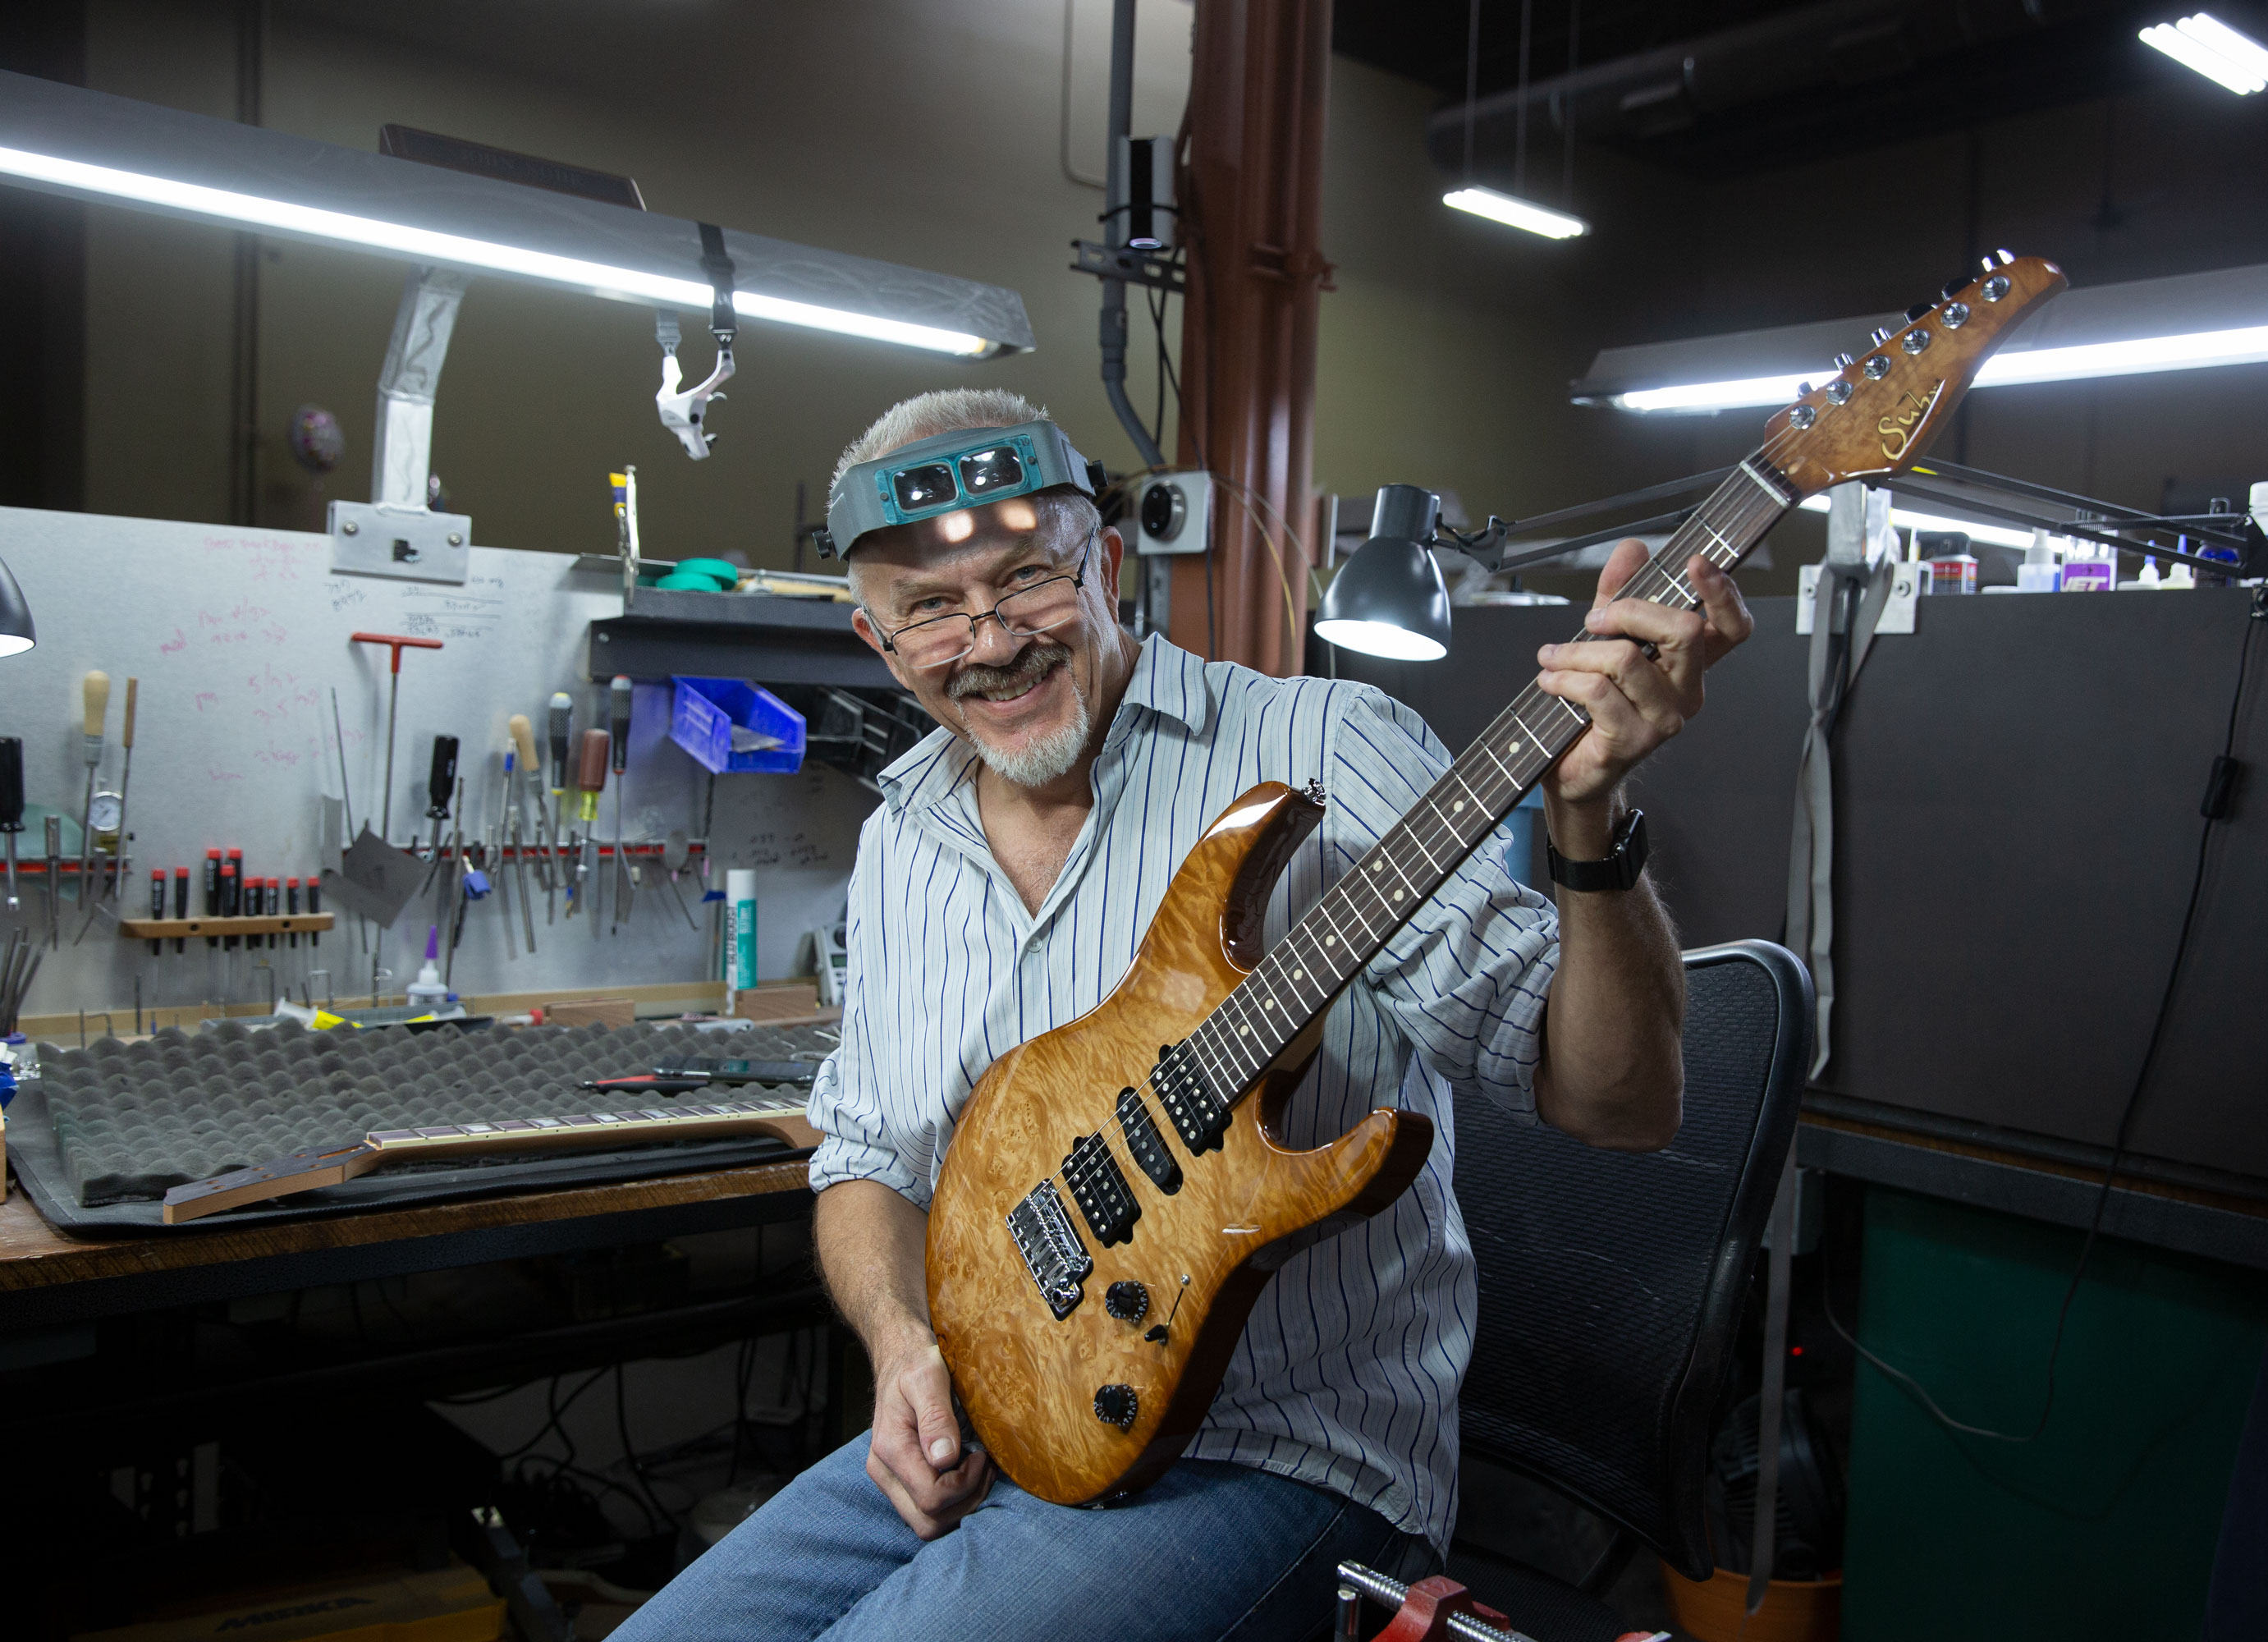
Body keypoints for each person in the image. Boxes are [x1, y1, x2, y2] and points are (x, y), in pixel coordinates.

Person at [616, 389, 1752, 1641]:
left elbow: (1620, 1106)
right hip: (1001, 1416)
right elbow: (869, 1157)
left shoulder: (1324, 746)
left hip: (1278, 1456)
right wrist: (899, 1348)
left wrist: (1589, 821)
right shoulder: (902, 841)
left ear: (1105, 565)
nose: (988, 642)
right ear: (878, 642)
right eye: (930, 608)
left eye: (1027, 579)